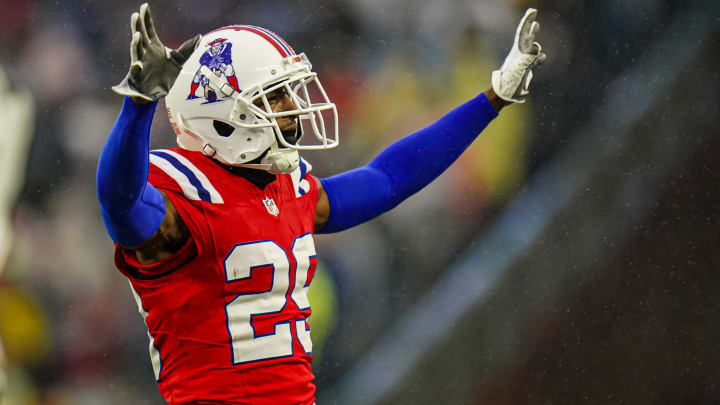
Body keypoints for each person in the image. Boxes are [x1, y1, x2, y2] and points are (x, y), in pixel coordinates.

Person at [97, 3, 545, 404]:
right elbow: (121, 204)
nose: (293, 107)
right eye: (273, 96)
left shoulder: (287, 187)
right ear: (221, 118)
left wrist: (492, 99)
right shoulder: (182, 197)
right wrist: (138, 105)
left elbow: (388, 179)